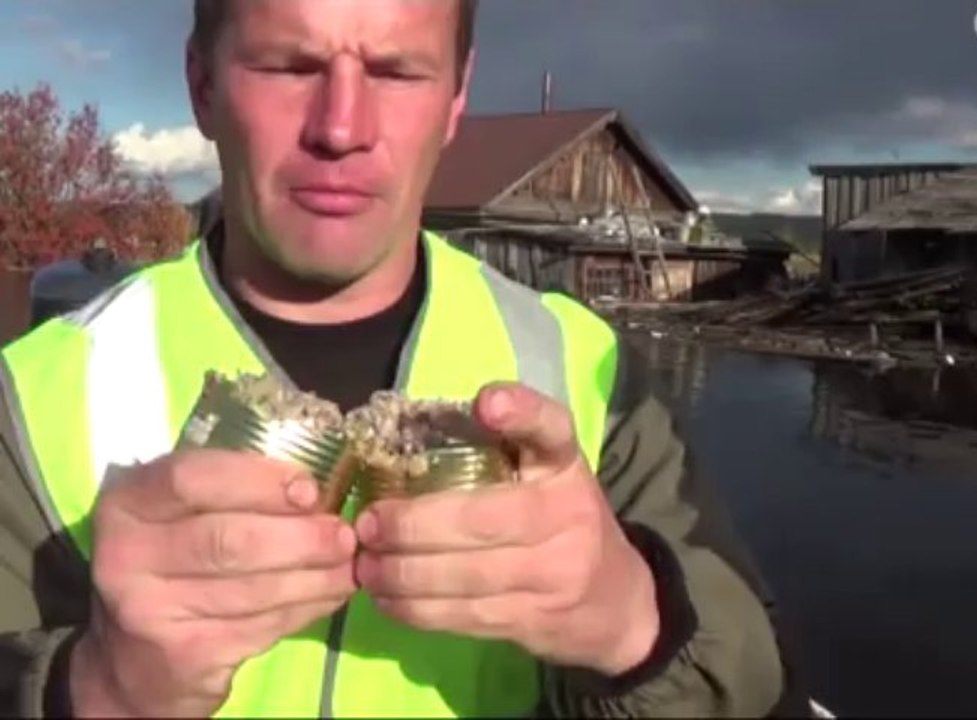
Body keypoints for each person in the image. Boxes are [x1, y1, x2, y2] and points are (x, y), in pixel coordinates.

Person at [0, 1, 808, 716]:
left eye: (395, 71)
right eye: (289, 65)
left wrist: (631, 624)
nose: (341, 128)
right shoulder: (32, 400)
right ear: (202, 86)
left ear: (455, 98)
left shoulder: (586, 370)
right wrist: (98, 691)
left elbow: (762, 690)